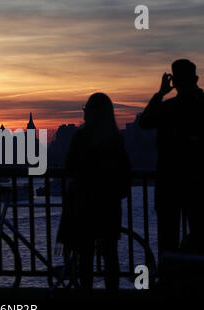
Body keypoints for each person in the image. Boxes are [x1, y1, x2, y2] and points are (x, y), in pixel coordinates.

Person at [56, 93, 131, 292]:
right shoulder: (116, 139)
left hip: (85, 205)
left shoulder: (81, 137)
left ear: (90, 112)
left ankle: (86, 293)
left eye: (86, 109)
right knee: (110, 255)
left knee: (85, 256)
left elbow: (70, 166)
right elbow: (125, 172)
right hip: (109, 205)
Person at [139, 59, 204, 256]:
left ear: (173, 82)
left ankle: (169, 279)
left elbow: (145, 122)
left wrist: (160, 94)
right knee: (200, 238)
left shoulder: (168, 108)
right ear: (196, 78)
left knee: (168, 241)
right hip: (198, 182)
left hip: (170, 183)